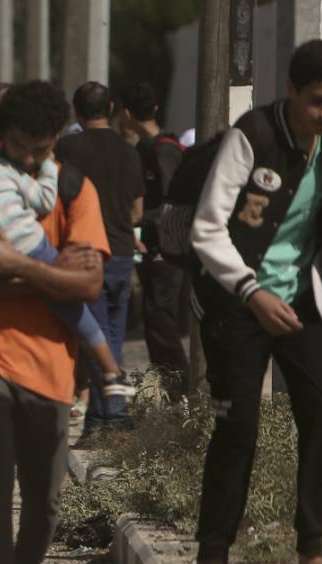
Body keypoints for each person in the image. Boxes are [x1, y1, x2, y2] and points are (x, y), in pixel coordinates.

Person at [0, 81, 110, 564]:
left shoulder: (75, 190)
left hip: (51, 364)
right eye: (19, 147)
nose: (31, 160)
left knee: (45, 502)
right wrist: (53, 280)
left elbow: (91, 285)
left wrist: (16, 266)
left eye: (43, 149)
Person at [189, 40, 322, 564]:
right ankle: (212, 558)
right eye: (316, 100)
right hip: (236, 301)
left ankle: (313, 549)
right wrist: (252, 292)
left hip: (301, 299)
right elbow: (206, 227)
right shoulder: (256, 135)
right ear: (290, 90)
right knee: (238, 426)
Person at [55, 81, 146, 433]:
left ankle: (114, 413)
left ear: (77, 112)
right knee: (111, 336)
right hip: (122, 251)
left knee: (94, 336)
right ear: (110, 109)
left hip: (83, 252)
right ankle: (101, 419)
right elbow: (137, 211)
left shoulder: (66, 148)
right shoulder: (128, 150)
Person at [118, 81, 190, 388]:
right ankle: (170, 390)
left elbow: (173, 202)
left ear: (125, 114)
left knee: (162, 319)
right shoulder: (142, 149)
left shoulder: (163, 150)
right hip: (150, 246)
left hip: (166, 248)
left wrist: (140, 219)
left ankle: (182, 390)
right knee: (154, 320)